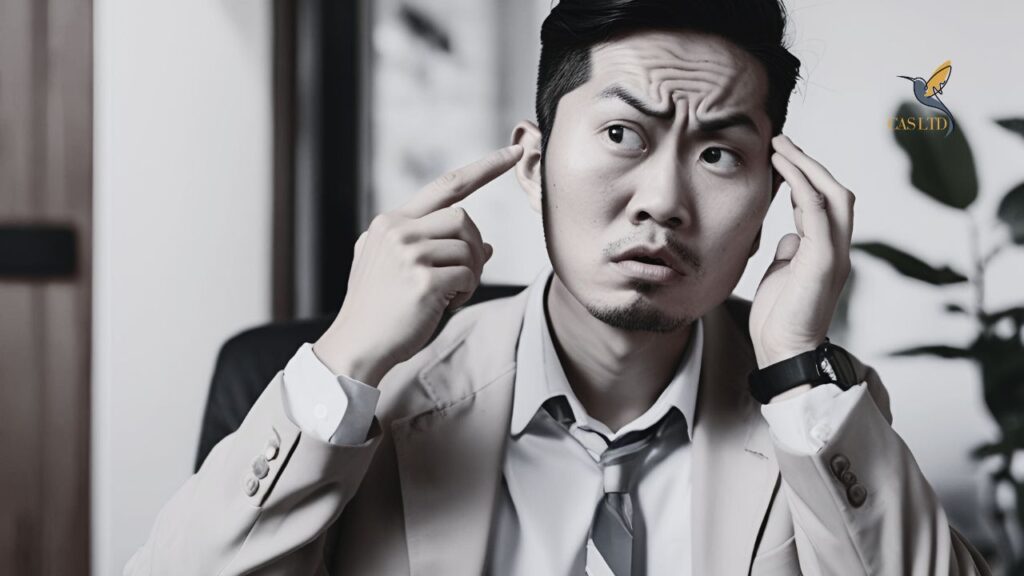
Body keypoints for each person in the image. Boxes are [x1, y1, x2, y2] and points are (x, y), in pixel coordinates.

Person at [126, 0, 991, 574]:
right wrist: (346, 355)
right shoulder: (379, 396)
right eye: (622, 133)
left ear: (775, 197)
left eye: (720, 154)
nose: (663, 200)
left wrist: (797, 369)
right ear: (533, 165)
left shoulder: (817, 417)